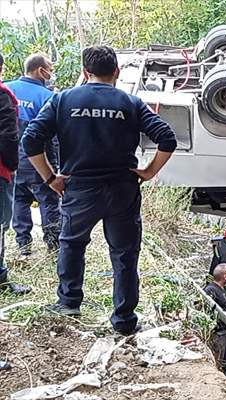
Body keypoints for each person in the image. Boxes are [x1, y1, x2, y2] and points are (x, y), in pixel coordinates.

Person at [21, 46, 177, 335]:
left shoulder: (63, 100)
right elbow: (167, 138)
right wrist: (149, 171)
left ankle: (69, 301)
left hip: (79, 190)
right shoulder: (131, 103)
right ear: (116, 72)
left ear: (85, 72)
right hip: (122, 190)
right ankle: (124, 320)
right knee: (125, 255)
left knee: (72, 244)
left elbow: (30, 140)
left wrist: (50, 178)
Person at [6, 53, 60, 255]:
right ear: (40, 71)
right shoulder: (48, 97)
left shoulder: (7, 89)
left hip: (11, 160)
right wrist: (54, 165)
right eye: (50, 70)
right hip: (38, 160)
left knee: (19, 200)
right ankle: (53, 245)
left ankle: (23, 245)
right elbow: (53, 136)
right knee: (49, 200)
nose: (51, 74)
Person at [0, 52, 30, 295]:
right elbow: (9, 135)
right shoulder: (4, 96)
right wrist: (12, 166)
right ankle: (0, 277)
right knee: (0, 224)